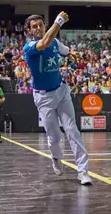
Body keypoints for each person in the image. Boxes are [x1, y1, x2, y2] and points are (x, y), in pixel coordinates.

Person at [24, 12, 92, 185]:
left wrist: (73, 54)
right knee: (54, 137)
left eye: (40, 24)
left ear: (44, 26)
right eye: (34, 26)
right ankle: (56, 157)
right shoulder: (30, 47)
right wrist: (59, 21)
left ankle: (83, 171)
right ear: (29, 31)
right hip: (43, 97)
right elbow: (45, 42)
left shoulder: (55, 42)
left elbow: (64, 50)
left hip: (61, 91)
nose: (38, 28)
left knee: (72, 131)